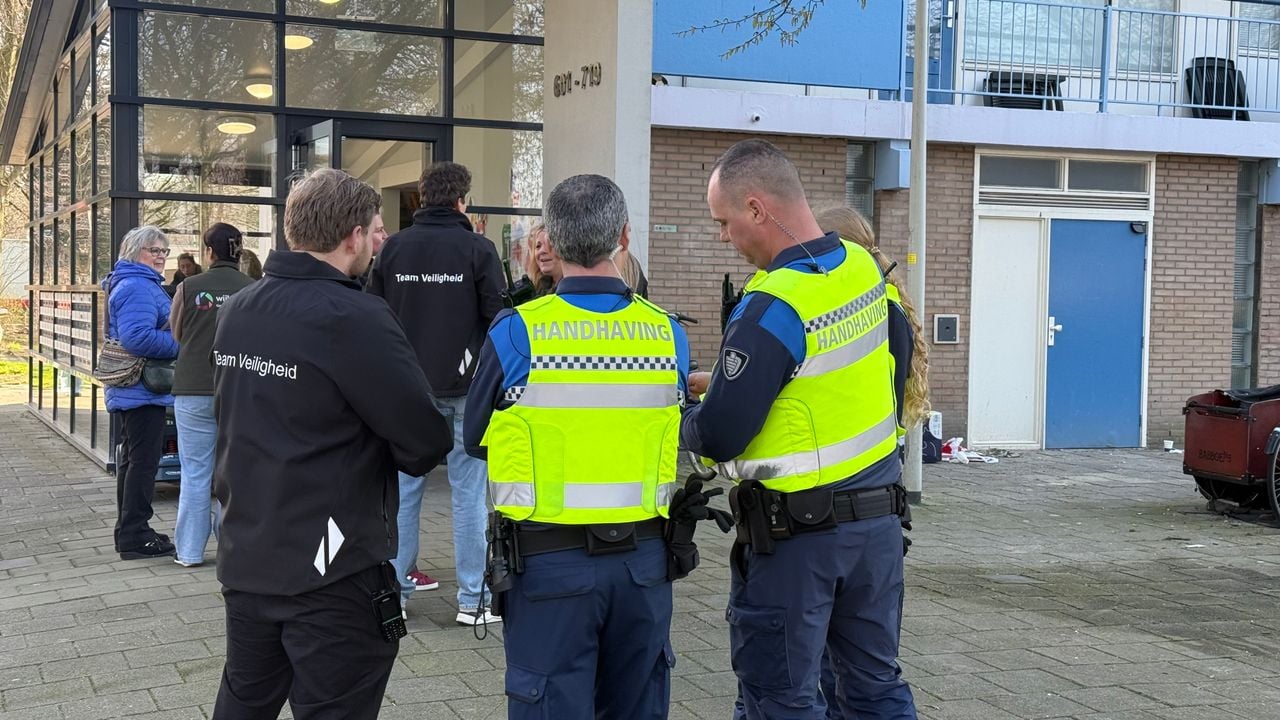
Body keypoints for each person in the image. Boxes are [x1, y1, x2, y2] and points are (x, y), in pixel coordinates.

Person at [682, 140, 917, 720]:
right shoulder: (863, 270)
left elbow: (722, 434)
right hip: (877, 526)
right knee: (874, 688)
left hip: (799, 543)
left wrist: (688, 419)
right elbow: (873, 370)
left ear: (757, 208)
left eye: (724, 222)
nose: (723, 237)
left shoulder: (772, 306)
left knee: (781, 700)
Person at [210, 168, 452, 720]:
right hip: (331, 568)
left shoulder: (240, 309)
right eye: (376, 229)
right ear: (352, 236)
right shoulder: (354, 316)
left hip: (248, 550)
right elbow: (424, 440)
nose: (379, 242)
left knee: (244, 702)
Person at [465, 174, 706, 720]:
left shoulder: (516, 332)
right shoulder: (668, 334)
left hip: (549, 566)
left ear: (551, 240)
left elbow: (477, 439)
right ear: (624, 236)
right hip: (645, 563)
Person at [367, 161, 505, 625]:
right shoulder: (478, 249)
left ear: (421, 198)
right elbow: (498, 319)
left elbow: (373, 316)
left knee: (405, 493)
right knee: (469, 494)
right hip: (467, 389)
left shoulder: (393, 249)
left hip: (408, 390)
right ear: (461, 201)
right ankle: (473, 600)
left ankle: (396, 597)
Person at [168, 223, 255, 568]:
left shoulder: (188, 286)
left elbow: (177, 333)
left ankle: (189, 551)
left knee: (194, 472)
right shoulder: (253, 288)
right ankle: (232, 547)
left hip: (193, 387)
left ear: (209, 252)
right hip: (238, 390)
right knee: (233, 472)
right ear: (239, 251)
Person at [104, 225, 180, 560]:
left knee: (132, 460)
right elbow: (137, 337)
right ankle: (136, 535)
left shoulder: (135, 282)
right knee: (143, 463)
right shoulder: (137, 286)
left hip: (135, 390)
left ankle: (129, 531)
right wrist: (182, 344)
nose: (161, 257)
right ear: (136, 253)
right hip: (142, 389)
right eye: (154, 251)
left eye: (164, 251)